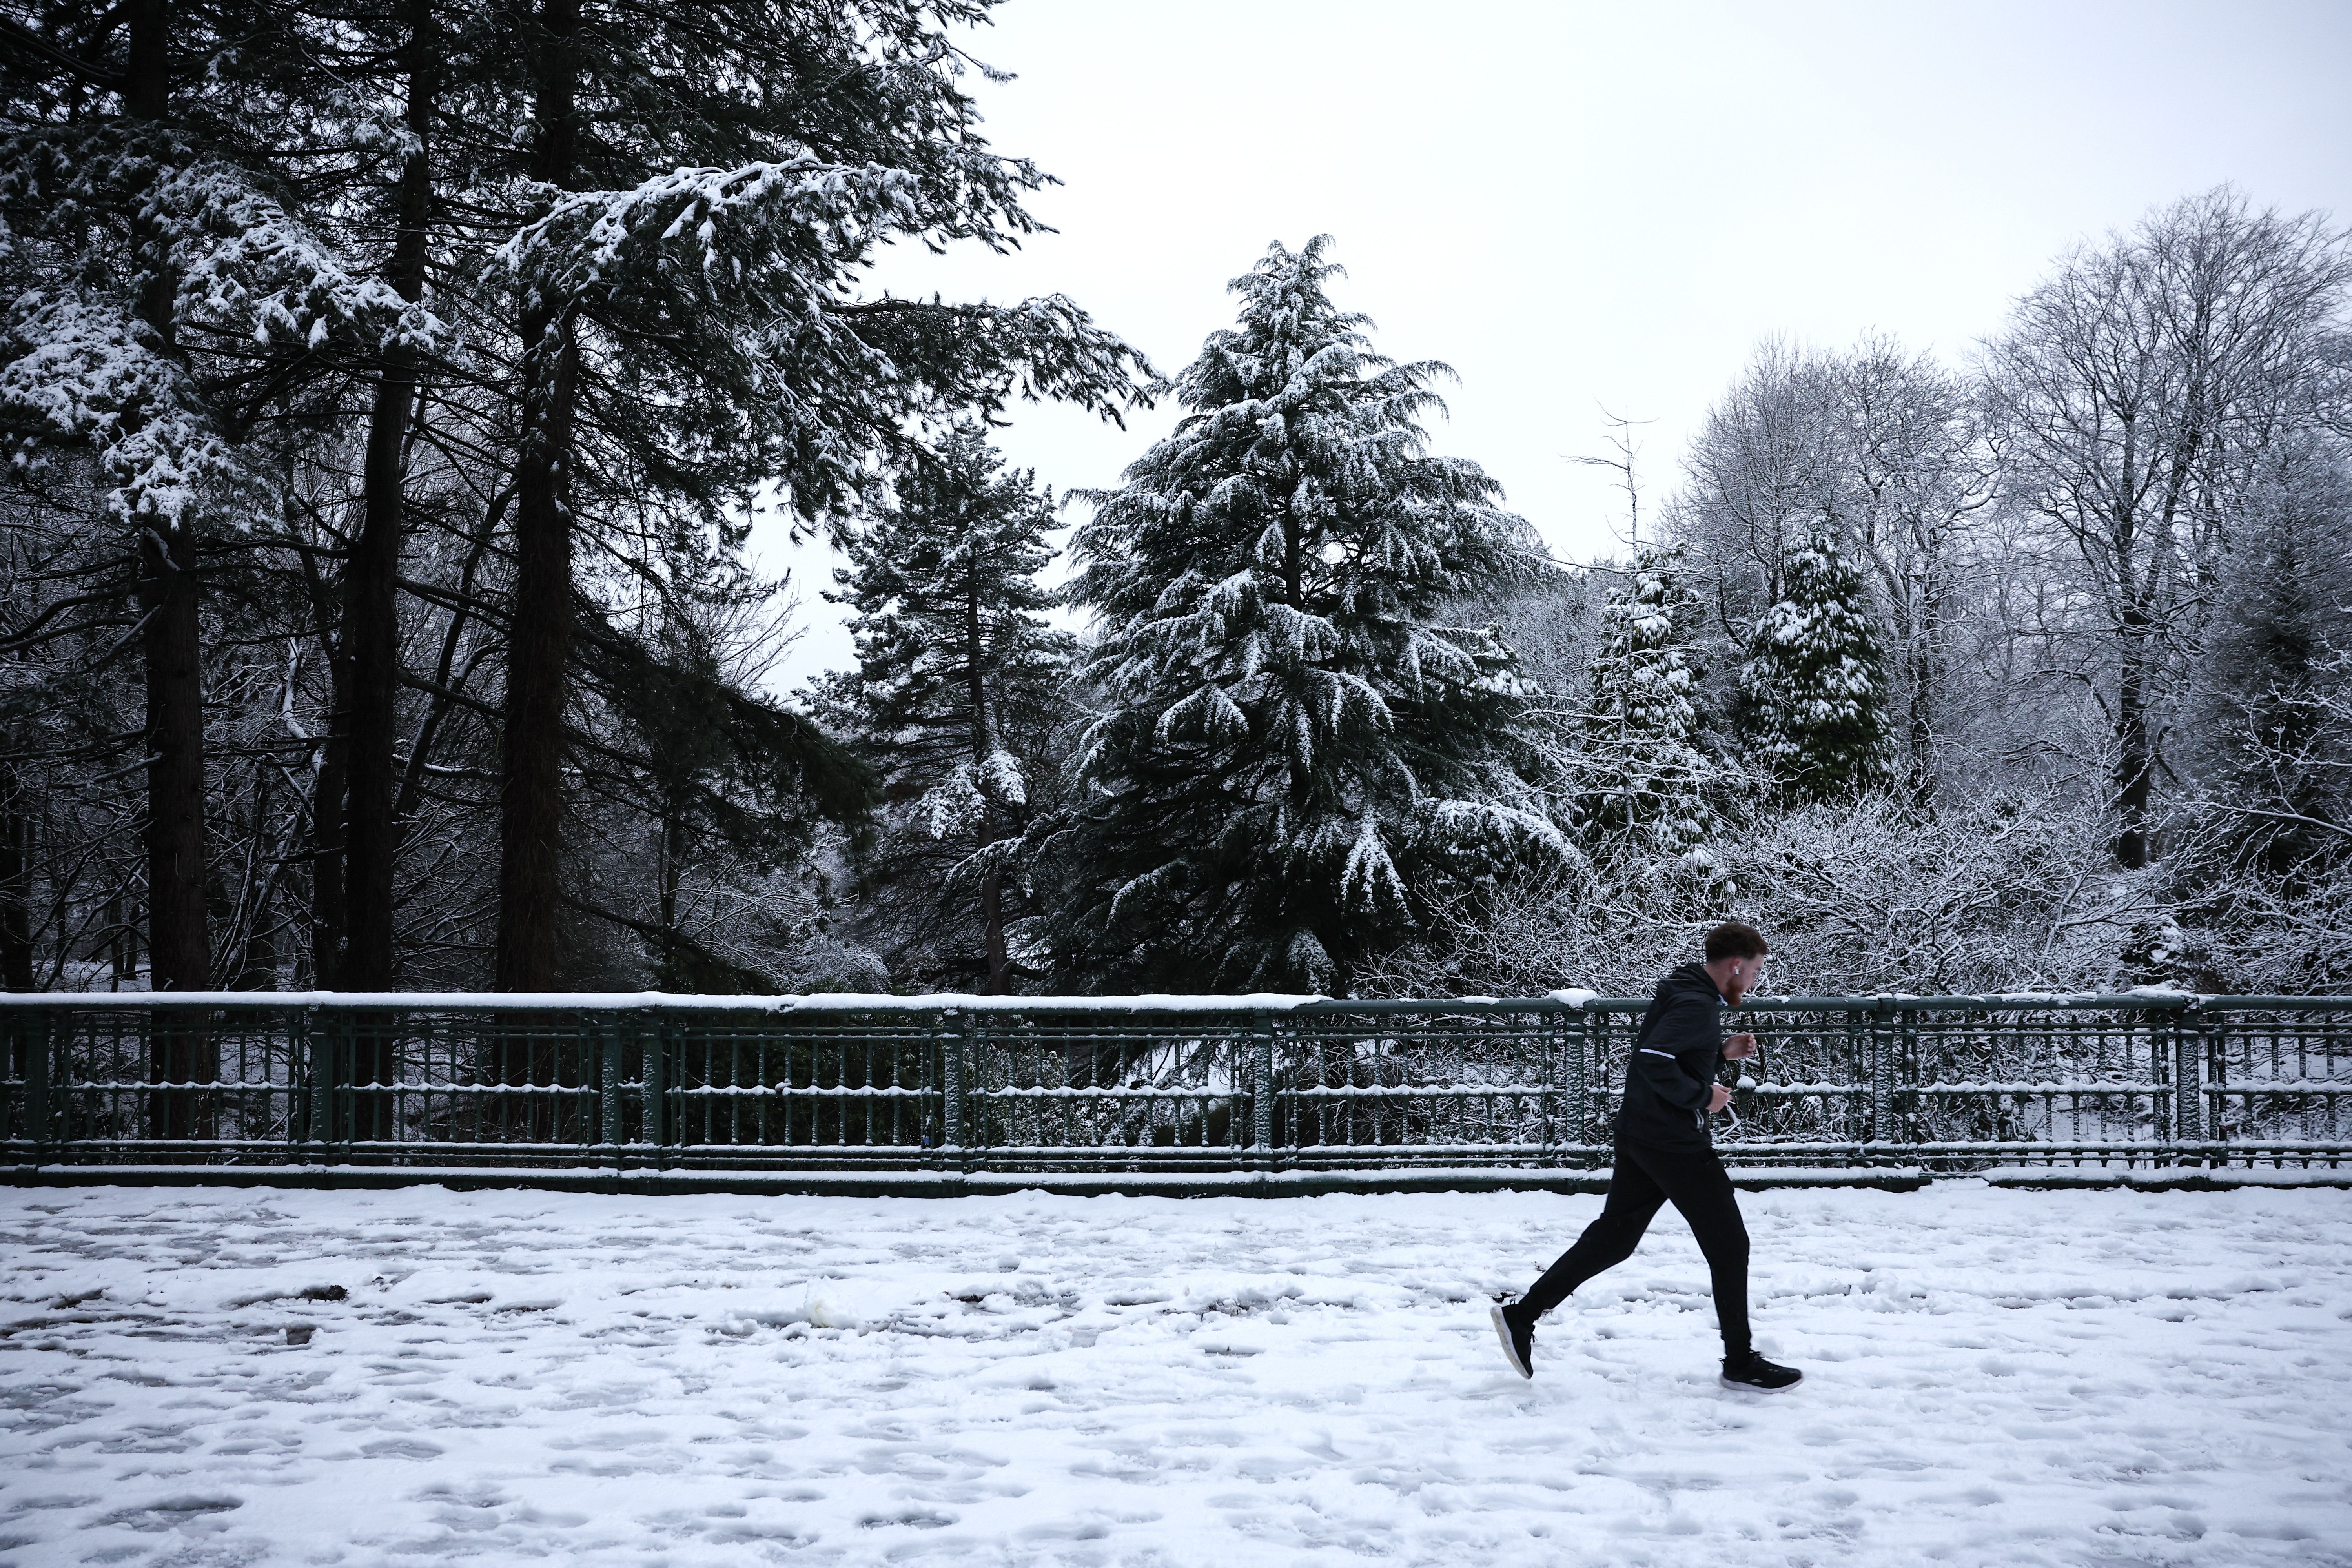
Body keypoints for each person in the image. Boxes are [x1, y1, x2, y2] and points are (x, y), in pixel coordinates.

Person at [1489, 921, 1802, 1393]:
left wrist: (1717, 1053)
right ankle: (1739, 1362)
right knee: (1730, 1245)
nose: (1757, 980)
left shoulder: (1685, 989)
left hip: (1643, 1132)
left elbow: (1665, 1051)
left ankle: (1522, 1315)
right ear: (1735, 965)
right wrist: (1704, 1096)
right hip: (1674, 1142)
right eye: (1756, 970)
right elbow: (1653, 1059)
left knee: (1614, 1239)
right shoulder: (1698, 1004)